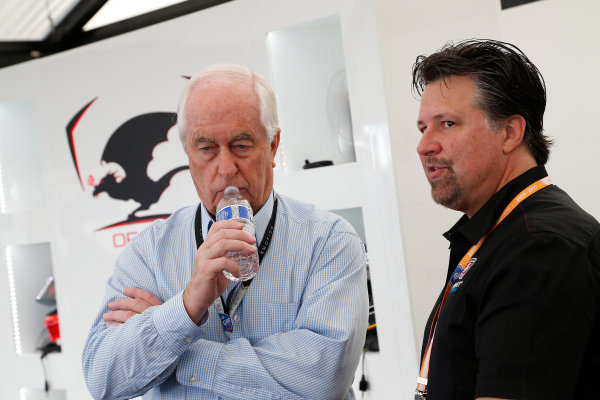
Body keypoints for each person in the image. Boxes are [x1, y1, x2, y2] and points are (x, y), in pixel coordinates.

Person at [82, 64, 368, 399]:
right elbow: (103, 378)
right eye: (206, 149)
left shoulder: (329, 241)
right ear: (188, 154)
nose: (226, 169)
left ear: (273, 146)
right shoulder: (150, 250)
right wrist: (188, 305)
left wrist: (179, 348)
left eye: (241, 145)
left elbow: (322, 379)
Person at [411, 39, 600, 400]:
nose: (424, 145)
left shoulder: (539, 247)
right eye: (423, 128)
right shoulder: (502, 233)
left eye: (447, 124)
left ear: (510, 132)